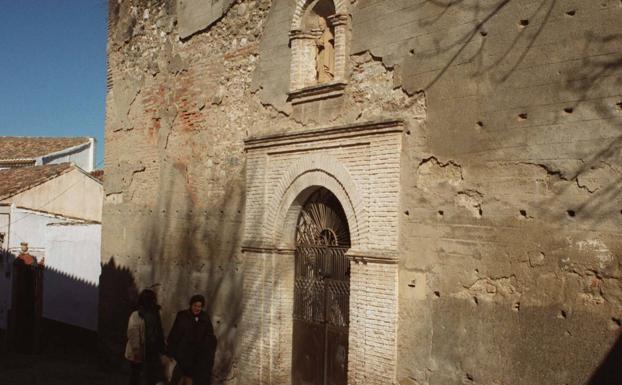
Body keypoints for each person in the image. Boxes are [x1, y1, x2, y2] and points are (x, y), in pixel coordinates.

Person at [167, 294, 217, 385]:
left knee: (190, 379)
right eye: (195, 306)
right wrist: (171, 351)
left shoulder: (205, 318)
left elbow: (210, 336)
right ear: (191, 305)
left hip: (196, 356)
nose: (197, 308)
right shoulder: (182, 315)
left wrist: (206, 351)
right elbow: (174, 334)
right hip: (182, 354)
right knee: (176, 378)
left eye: (199, 306)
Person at [125, 289, 166, 385]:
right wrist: (136, 349)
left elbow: (159, 329)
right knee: (136, 374)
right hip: (140, 349)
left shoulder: (155, 313)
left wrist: (162, 345)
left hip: (152, 348)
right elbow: (133, 332)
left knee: (150, 374)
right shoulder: (136, 315)